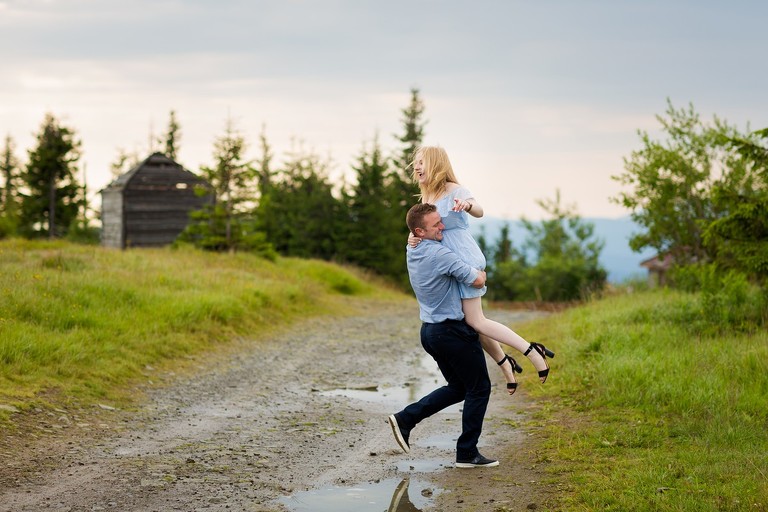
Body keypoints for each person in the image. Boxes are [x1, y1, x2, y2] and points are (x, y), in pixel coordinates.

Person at [408, 146, 555, 394]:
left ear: (436, 163)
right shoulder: (427, 196)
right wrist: (413, 237)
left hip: (463, 259)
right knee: (470, 322)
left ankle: (532, 352)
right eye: (415, 164)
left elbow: (479, 210)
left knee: (476, 320)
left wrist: (466, 205)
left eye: (421, 162)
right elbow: (423, 227)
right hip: (447, 265)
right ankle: (505, 363)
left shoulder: (453, 189)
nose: (416, 167)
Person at [388, 202, 498, 468]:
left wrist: (413, 236)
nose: (443, 226)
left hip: (430, 333)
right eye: (436, 224)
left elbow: (413, 238)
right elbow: (478, 280)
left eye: (441, 220)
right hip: (452, 333)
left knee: (459, 387)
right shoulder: (440, 255)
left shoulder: (411, 249)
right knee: (479, 388)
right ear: (419, 231)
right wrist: (481, 272)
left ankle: (406, 419)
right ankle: (467, 453)